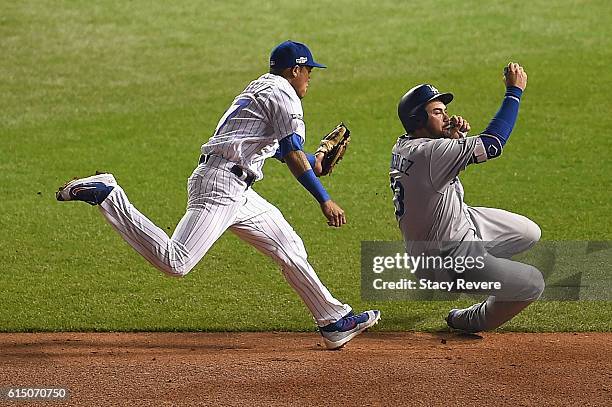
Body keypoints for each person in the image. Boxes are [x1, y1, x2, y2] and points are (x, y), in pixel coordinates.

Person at [57, 40, 380, 349]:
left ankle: (332, 320)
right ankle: (110, 195)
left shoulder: (261, 87)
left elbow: (281, 150)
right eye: (309, 70)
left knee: (288, 246)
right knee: (177, 261)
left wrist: (317, 162)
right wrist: (324, 198)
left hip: (235, 187)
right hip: (221, 187)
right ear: (294, 70)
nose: (310, 77)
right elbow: (293, 154)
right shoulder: (284, 94)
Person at [390, 63, 544, 332]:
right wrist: (514, 92)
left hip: (451, 226)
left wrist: (450, 138)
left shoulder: (405, 145)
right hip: (448, 257)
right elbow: (492, 145)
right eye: (437, 113)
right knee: (532, 284)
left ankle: (485, 269)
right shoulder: (430, 154)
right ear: (418, 120)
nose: (446, 117)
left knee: (529, 232)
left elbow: (436, 169)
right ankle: (467, 319)